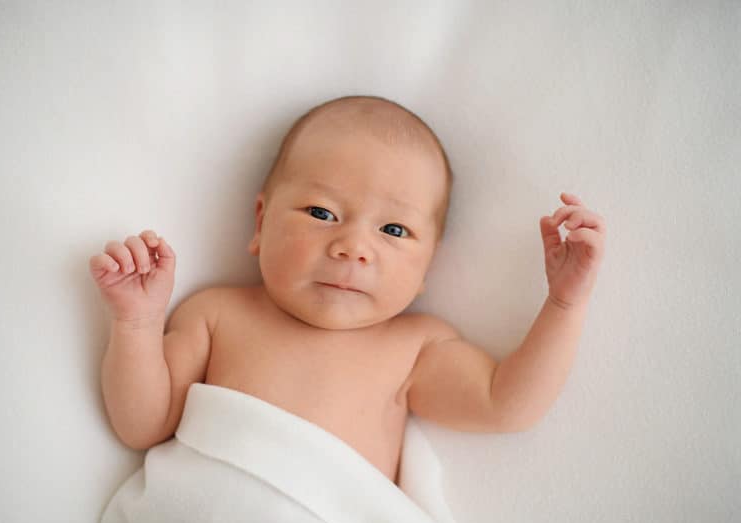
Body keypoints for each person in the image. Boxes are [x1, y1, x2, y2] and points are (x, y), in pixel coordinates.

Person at [88, 94, 606, 485]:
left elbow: (505, 405)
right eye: (321, 213)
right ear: (261, 222)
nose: (354, 247)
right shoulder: (216, 314)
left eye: (394, 230)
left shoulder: (415, 347)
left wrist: (564, 302)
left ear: (428, 266)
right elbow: (142, 425)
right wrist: (136, 322)